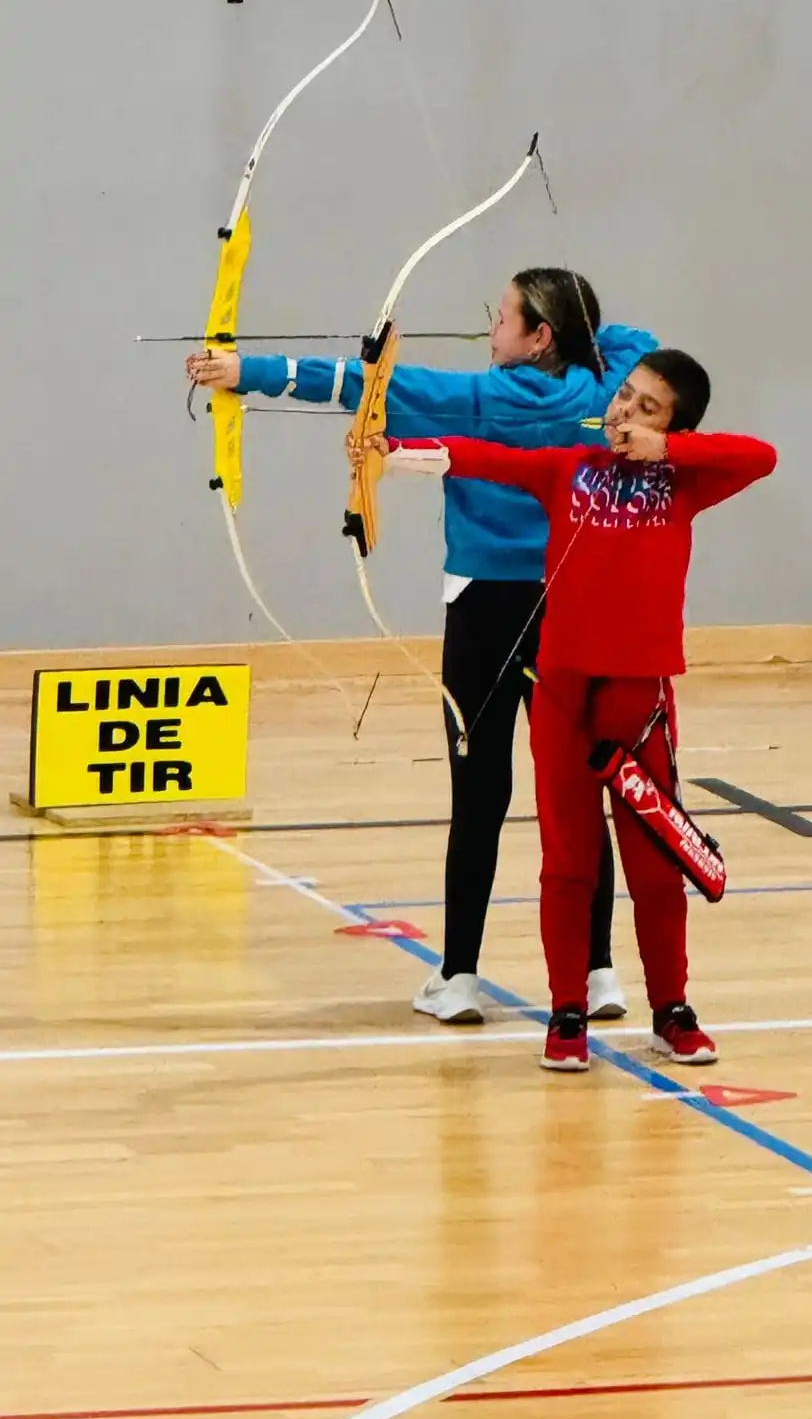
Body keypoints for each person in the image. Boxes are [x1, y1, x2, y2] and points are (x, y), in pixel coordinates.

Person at [186, 270, 657, 1025]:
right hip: (569, 608)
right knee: (575, 793)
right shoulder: (603, 397)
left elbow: (352, 383)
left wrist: (244, 373)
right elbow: (641, 345)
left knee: (479, 798)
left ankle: (460, 978)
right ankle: (601, 973)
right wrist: (581, 346)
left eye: (503, 317)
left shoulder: (477, 399)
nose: (488, 327)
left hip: (483, 611)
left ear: (538, 336)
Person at [372, 351, 778, 1072]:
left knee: (655, 862)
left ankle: (671, 1010)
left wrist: (666, 448)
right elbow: (481, 458)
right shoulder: (569, 466)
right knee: (568, 861)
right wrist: (392, 452)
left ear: (674, 425)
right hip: (563, 688)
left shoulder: (684, 480)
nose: (624, 411)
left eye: (647, 407)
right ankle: (567, 1012)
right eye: (625, 396)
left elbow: (761, 456)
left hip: (639, 695)